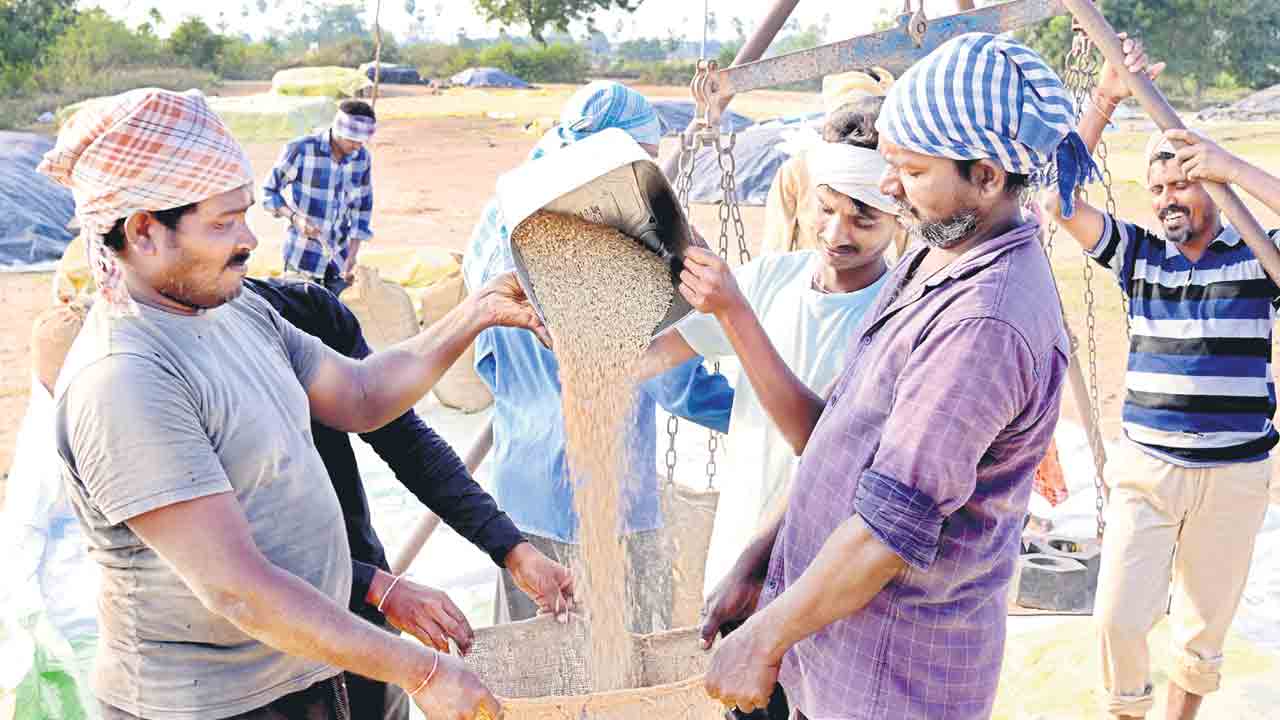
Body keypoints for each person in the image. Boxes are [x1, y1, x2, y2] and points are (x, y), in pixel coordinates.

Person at [42, 88, 544, 720]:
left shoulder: (238, 310)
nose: (249, 239)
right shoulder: (127, 378)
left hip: (304, 675)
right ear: (144, 231)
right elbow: (239, 589)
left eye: (244, 215)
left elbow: (362, 396)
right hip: (210, 706)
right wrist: (423, 671)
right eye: (222, 223)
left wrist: (475, 314)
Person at [694, 33, 1077, 718]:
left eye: (911, 169)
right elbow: (840, 431)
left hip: (892, 678)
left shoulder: (982, 325)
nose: (891, 187)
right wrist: (760, 561)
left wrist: (762, 639)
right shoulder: (936, 253)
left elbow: (884, 532)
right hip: (829, 649)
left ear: (988, 176)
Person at [1047, 34, 1280, 720]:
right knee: (1117, 619)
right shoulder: (1140, 254)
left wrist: (1234, 167)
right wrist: (1105, 99)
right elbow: (1056, 202)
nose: (1167, 198)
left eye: (1182, 181)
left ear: (1208, 181)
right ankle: (1127, 712)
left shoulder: (1257, 255)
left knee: (1201, 637)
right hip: (1147, 470)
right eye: (1156, 189)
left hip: (1235, 475)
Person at [463, 80, 735, 633]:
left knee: (539, 662)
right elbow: (673, 384)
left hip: (520, 497)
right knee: (623, 662)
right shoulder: (614, 241)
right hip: (612, 503)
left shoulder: (501, 220)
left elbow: (487, 361)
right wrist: (762, 413)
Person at [245, 276, 572, 720]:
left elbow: (398, 432)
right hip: (253, 661)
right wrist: (378, 588)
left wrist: (512, 550)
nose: (243, 238)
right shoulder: (152, 368)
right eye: (223, 223)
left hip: (361, 621)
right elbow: (223, 556)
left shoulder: (297, 313)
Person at [641, 94, 901, 600]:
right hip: (735, 552)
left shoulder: (896, 316)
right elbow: (653, 357)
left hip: (821, 579)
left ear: (900, 218)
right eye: (826, 209)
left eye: (863, 220)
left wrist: (734, 311)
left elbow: (818, 439)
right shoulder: (771, 280)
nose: (835, 233)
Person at [760, 70, 894, 256]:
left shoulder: (893, 174)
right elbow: (777, 239)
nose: (834, 237)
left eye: (862, 221)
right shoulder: (796, 169)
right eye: (826, 209)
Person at [263, 99, 375, 296]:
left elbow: (362, 208)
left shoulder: (362, 158)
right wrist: (295, 218)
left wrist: (352, 256)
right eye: (352, 140)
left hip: (339, 261)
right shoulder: (301, 150)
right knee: (300, 319)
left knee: (335, 321)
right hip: (302, 257)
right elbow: (269, 192)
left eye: (361, 141)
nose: (358, 146)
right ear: (338, 130)